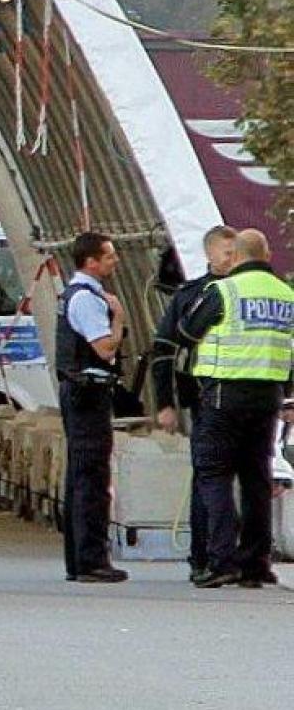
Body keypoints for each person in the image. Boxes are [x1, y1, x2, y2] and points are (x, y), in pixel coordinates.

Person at [178, 228, 294, 589]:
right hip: (267, 398)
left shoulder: (223, 291)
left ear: (238, 257)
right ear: (268, 256)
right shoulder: (286, 295)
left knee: (214, 476)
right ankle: (256, 563)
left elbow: (186, 331)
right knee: (256, 479)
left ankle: (221, 560)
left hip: (223, 395)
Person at [152, 225, 236, 583]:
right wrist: (166, 403)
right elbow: (164, 351)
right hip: (203, 398)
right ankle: (203, 555)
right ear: (209, 255)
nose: (233, 260)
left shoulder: (245, 293)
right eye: (227, 253)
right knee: (208, 477)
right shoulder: (191, 296)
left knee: (232, 477)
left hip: (242, 399)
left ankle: (236, 555)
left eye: (237, 253)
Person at [56, 231, 129, 583]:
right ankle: (92, 560)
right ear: (91, 262)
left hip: (78, 392)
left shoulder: (76, 293)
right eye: (110, 256)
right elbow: (105, 349)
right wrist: (118, 320)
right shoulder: (86, 299)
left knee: (81, 475)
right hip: (88, 393)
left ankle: (79, 558)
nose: (115, 261)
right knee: (92, 478)